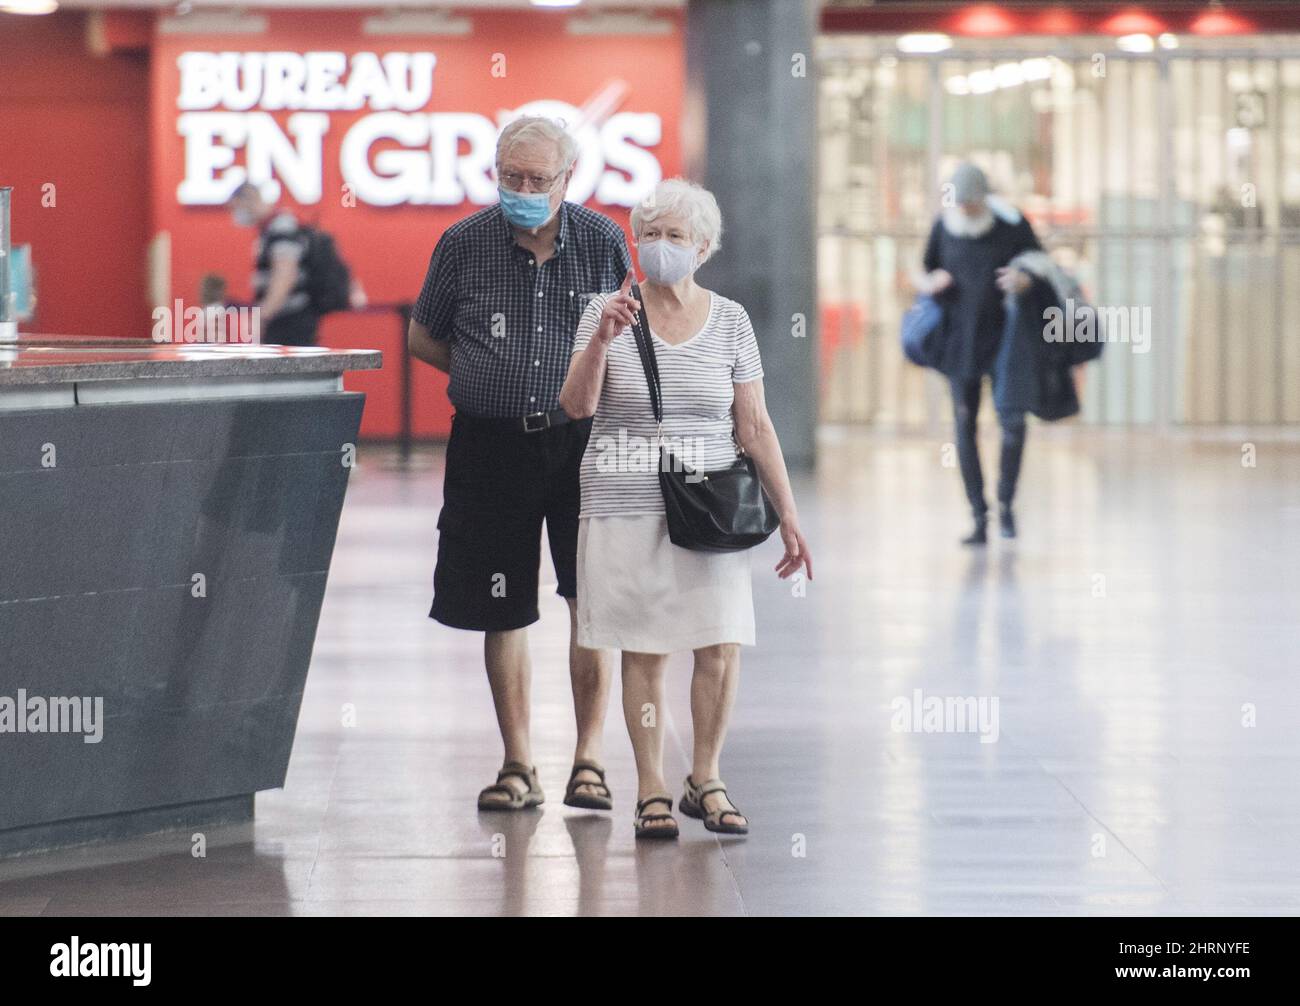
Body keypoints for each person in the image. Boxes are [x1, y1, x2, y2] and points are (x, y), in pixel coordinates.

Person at [559, 179, 812, 840]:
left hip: (711, 506)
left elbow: (753, 425)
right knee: (643, 647)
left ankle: (707, 775)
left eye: (675, 236)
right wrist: (599, 341)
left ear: (703, 247)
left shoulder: (730, 320)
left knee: (720, 641)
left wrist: (788, 512)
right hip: (624, 503)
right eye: (651, 234)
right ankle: (651, 787)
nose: (660, 247)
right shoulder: (608, 310)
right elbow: (577, 408)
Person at [408, 116, 632, 812]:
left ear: (569, 179)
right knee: (499, 607)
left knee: (589, 603)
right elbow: (423, 335)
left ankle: (589, 760)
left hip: (580, 442)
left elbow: (623, 343)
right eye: (512, 176)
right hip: (489, 445)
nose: (524, 189)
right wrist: (483, 374)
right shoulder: (463, 244)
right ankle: (517, 763)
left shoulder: (601, 242)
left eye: (538, 178)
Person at [917, 162, 1043, 545]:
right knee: (964, 426)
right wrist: (932, 282)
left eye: (972, 202)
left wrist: (1024, 279)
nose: (967, 209)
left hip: (1006, 342)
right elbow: (925, 270)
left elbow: (1040, 263)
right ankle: (978, 514)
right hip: (960, 342)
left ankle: (1006, 505)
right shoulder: (945, 227)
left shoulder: (1010, 224)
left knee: (1013, 424)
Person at [228, 182, 319, 346]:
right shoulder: (269, 229)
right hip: (283, 319)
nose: (235, 215)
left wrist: (264, 315)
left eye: (236, 208)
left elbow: (285, 275)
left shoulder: (281, 226)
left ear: (249, 200)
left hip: (290, 320)